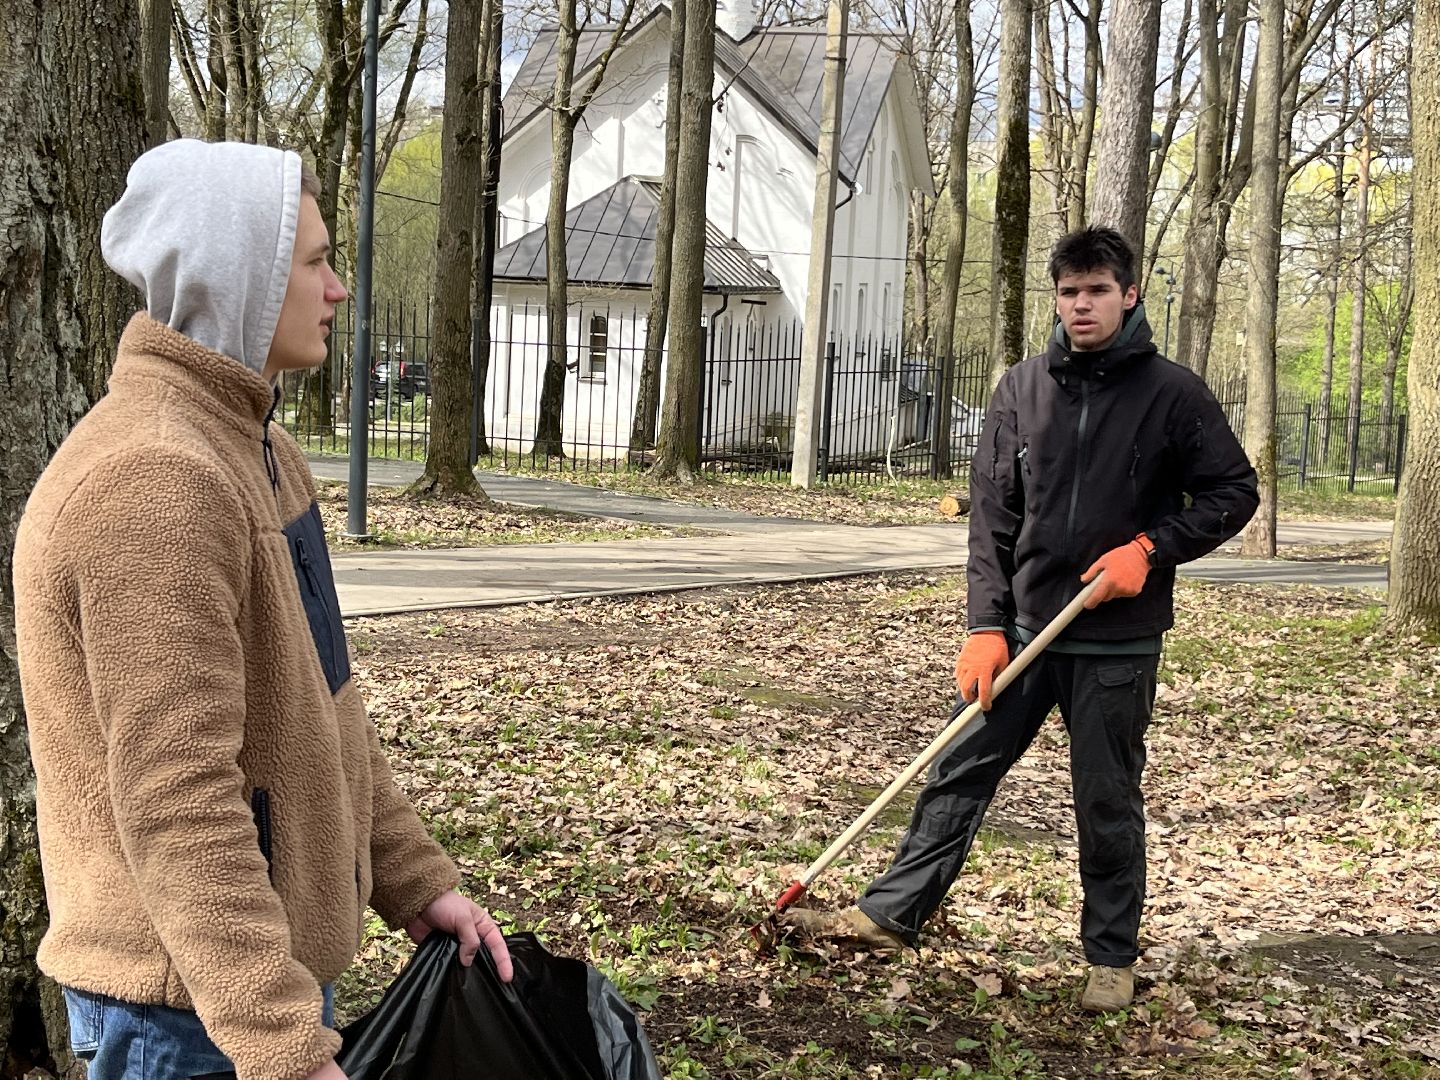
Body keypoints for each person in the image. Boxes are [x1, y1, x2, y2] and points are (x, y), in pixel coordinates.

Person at [14, 139, 511, 1080]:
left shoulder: (257, 449)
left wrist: (414, 881)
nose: (337, 290)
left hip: (247, 991)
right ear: (239, 278)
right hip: (186, 1014)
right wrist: (282, 1047)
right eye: (315, 263)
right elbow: (177, 800)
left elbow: (329, 707)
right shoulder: (155, 479)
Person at [783, 226, 1259, 1013]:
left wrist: (1151, 547)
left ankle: (1110, 957)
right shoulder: (1021, 390)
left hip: (1117, 640)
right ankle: (890, 914)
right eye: (1069, 292)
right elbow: (993, 524)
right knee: (957, 772)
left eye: (1097, 290)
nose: (1082, 305)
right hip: (1025, 634)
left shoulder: (1174, 395)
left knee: (1107, 799)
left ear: (1129, 294)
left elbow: (1232, 493)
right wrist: (984, 625)